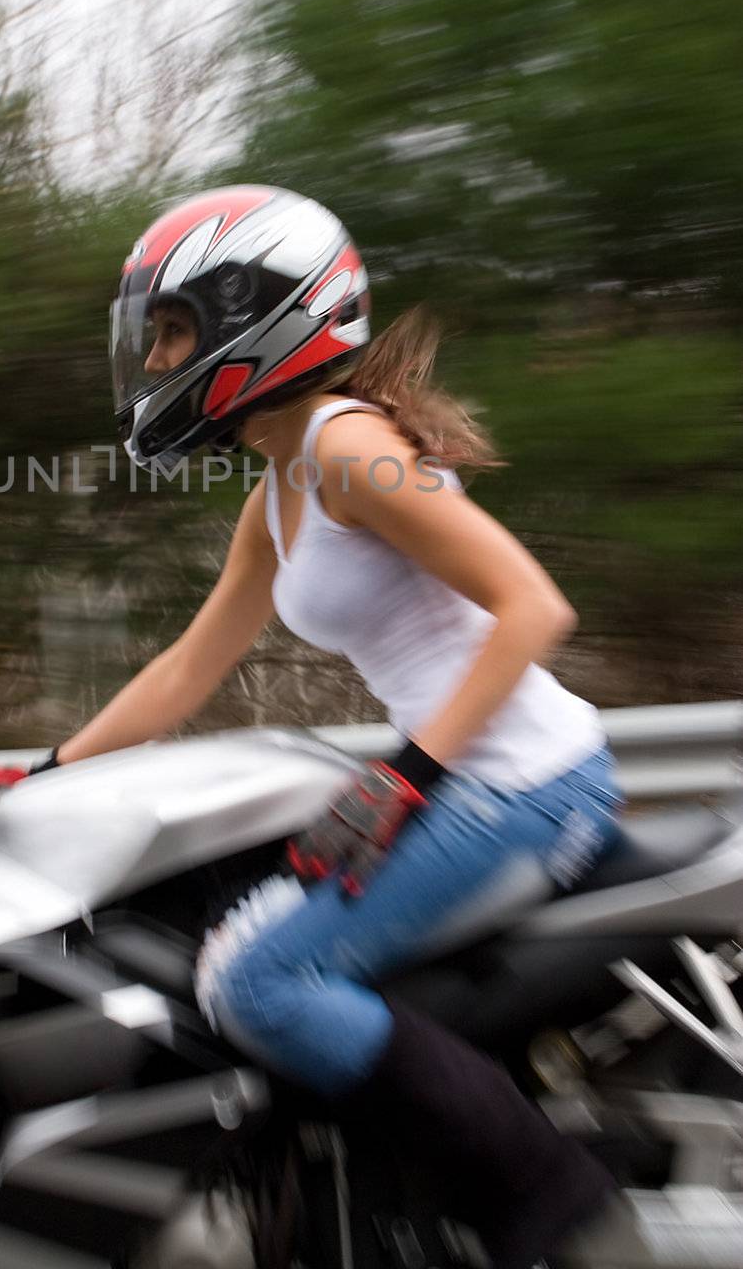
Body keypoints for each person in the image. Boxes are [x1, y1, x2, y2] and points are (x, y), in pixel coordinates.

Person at [42, 183, 624, 1268]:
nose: (156, 359)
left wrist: (407, 773)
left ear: (254, 321)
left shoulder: (348, 449)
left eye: (172, 329)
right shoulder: (280, 487)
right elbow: (187, 668)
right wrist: (36, 769)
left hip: (527, 781)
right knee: (191, 914)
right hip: (472, 774)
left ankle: (560, 1211)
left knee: (257, 981)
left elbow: (534, 606)